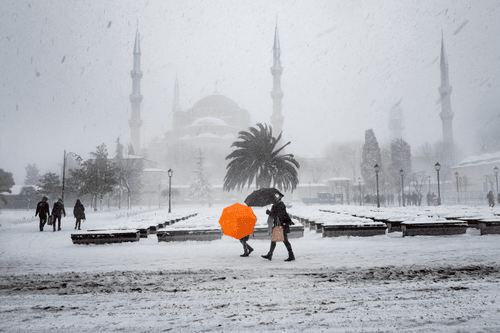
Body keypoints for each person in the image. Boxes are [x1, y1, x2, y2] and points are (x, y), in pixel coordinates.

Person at [262, 194, 295, 262]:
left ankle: (291, 255)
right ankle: (270, 254)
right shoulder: (276, 205)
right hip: (278, 225)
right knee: (274, 240)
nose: (274, 199)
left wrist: (269, 213)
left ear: (279, 198)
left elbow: (279, 215)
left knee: (285, 240)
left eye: (275, 198)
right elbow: (283, 214)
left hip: (281, 225)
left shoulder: (280, 205)